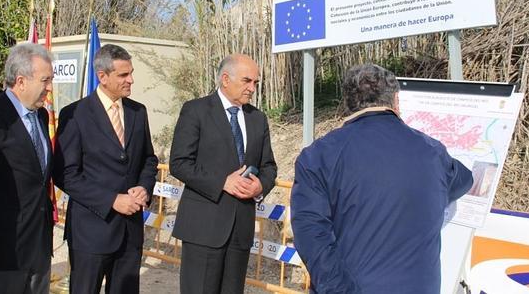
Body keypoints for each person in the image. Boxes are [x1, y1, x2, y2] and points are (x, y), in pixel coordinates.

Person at [290, 64, 474, 293]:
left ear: (346, 104)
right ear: (396, 101)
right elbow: (465, 180)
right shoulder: (431, 151)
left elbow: (311, 236)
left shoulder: (319, 155)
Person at [54, 44, 158, 294]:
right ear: (102, 76)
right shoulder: (75, 114)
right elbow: (65, 174)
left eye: (131, 73)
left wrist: (144, 188)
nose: (131, 80)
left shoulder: (137, 112)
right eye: (123, 75)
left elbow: (149, 160)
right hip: (91, 232)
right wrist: (112, 200)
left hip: (130, 232)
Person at [170, 54, 277, 294]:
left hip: (240, 230)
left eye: (255, 83)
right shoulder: (195, 110)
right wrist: (222, 182)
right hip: (203, 229)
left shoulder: (257, 119)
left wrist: (260, 186)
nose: (252, 88)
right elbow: (179, 163)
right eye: (247, 81)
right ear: (225, 79)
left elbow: (269, 166)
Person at [0, 43, 55, 293]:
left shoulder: (41, 116)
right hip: (1, 256)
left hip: (38, 250)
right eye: (45, 80)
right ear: (21, 81)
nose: (49, 88)